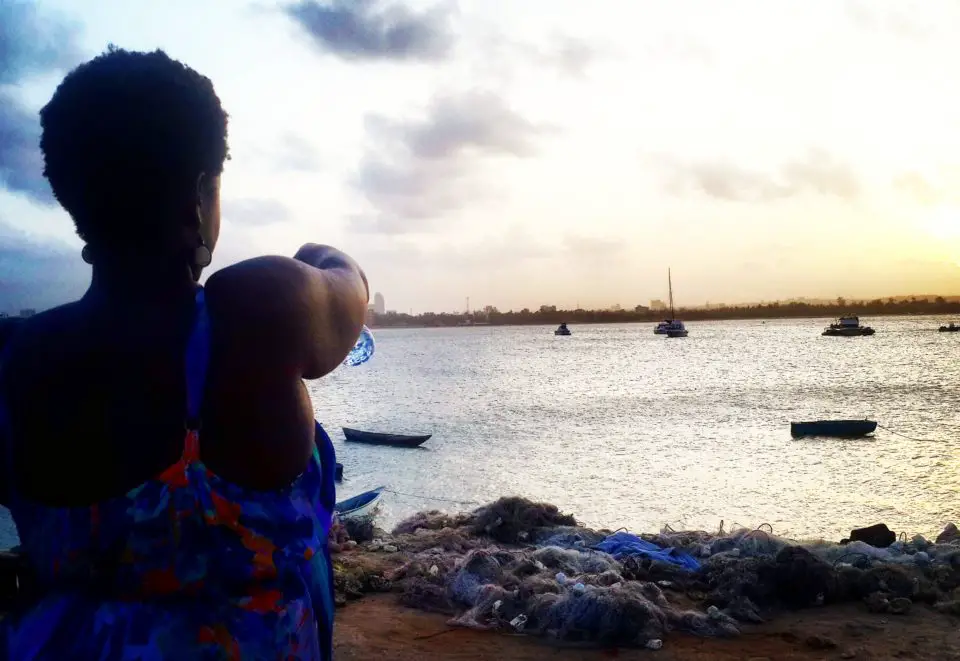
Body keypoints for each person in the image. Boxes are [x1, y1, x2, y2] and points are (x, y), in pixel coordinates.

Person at [0, 47, 368, 660]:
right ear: (201, 193)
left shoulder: (16, 358)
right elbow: (346, 284)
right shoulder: (259, 308)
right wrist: (319, 253)